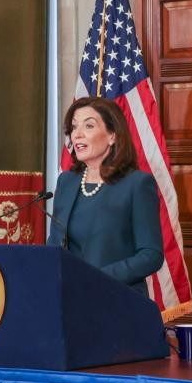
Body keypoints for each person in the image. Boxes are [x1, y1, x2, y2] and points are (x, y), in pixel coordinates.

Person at [46, 97, 163, 295]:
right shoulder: (67, 182)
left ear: (112, 136)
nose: (77, 135)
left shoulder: (137, 184)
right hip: (70, 299)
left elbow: (151, 255)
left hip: (117, 300)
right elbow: (55, 244)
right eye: (74, 128)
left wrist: (97, 278)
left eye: (88, 126)